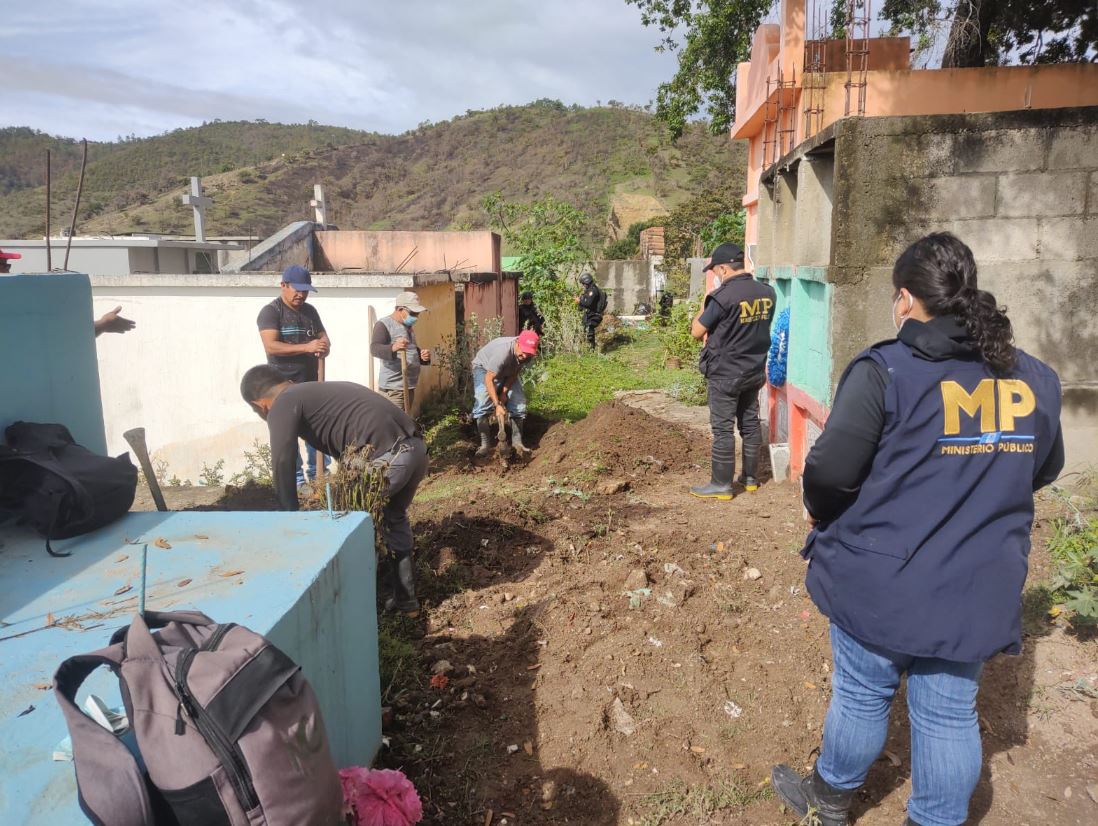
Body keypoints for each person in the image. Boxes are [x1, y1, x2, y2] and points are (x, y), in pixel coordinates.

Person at [771, 233, 1064, 826]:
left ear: (905, 299)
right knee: (949, 713)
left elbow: (829, 472)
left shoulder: (886, 371)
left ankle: (829, 800)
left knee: (860, 693)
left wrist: (821, 513)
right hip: (977, 585)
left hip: (882, 581)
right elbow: (1044, 465)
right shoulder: (1033, 377)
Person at [240, 365, 428, 615]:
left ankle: (352, 608)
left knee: (346, 524)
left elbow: (283, 460)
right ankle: (406, 603)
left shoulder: (283, 402)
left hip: (386, 460)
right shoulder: (313, 392)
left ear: (260, 404)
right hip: (414, 451)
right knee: (393, 517)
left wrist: (289, 517)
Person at [689, 242, 775, 499]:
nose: (715, 276)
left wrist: (708, 302)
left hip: (725, 374)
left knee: (723, 429)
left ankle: (721, 484)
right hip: (754, 370)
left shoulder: (722, 296)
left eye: (715, 271)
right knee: (749, 424)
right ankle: (750, 478)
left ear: (724, 269)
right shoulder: (767, 292)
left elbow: (697, 331)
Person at [257, 264, 331, 487]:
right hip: (282, 387)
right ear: (283, 285)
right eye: (297, 289)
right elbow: (271, 347)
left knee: (316, 431)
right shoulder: (271, 312)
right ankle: (298, 484)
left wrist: (324, 347)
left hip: (310, 385)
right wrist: (307, 347)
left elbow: (324, 339)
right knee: (288, 435)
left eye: (305, 290)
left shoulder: (310, 312)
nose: (301, 294)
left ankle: (320, 476)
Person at [471, 330, 539, 458]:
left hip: (507, 371)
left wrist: (503, 393)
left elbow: (514, 373)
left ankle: (517, 442)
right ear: (517, 343)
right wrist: (497, 405)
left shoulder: (526, 355)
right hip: (484, 368)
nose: (525, 356)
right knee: (482, 402)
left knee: (518, 402)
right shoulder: (502, 353)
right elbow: (488, 379)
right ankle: (485, 445)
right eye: (523, 351)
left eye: (528, 353)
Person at [370, 291, 431, 411]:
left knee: (403, 423)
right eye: (413, 313)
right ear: (400, 309)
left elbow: (410, 349)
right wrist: (393, 347)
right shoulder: (383, 324)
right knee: (394, 426)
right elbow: (374, 349)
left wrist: (422, 356)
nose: (416, 317)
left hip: (408, 385)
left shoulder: (407, 327)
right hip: (394, 389)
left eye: (417, 314)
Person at [575, 273, 604, 348]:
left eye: (583, 283)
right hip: (589, 315)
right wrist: (580, 302)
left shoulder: (593, 291)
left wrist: (579, 301)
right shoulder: (589, 290)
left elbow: (588, 303)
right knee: (585, 329)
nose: (583, 285)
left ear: (587, 281)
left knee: (589, 330)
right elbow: (584, 304)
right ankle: (588, 348)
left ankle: (591, 349)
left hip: (594, 315)